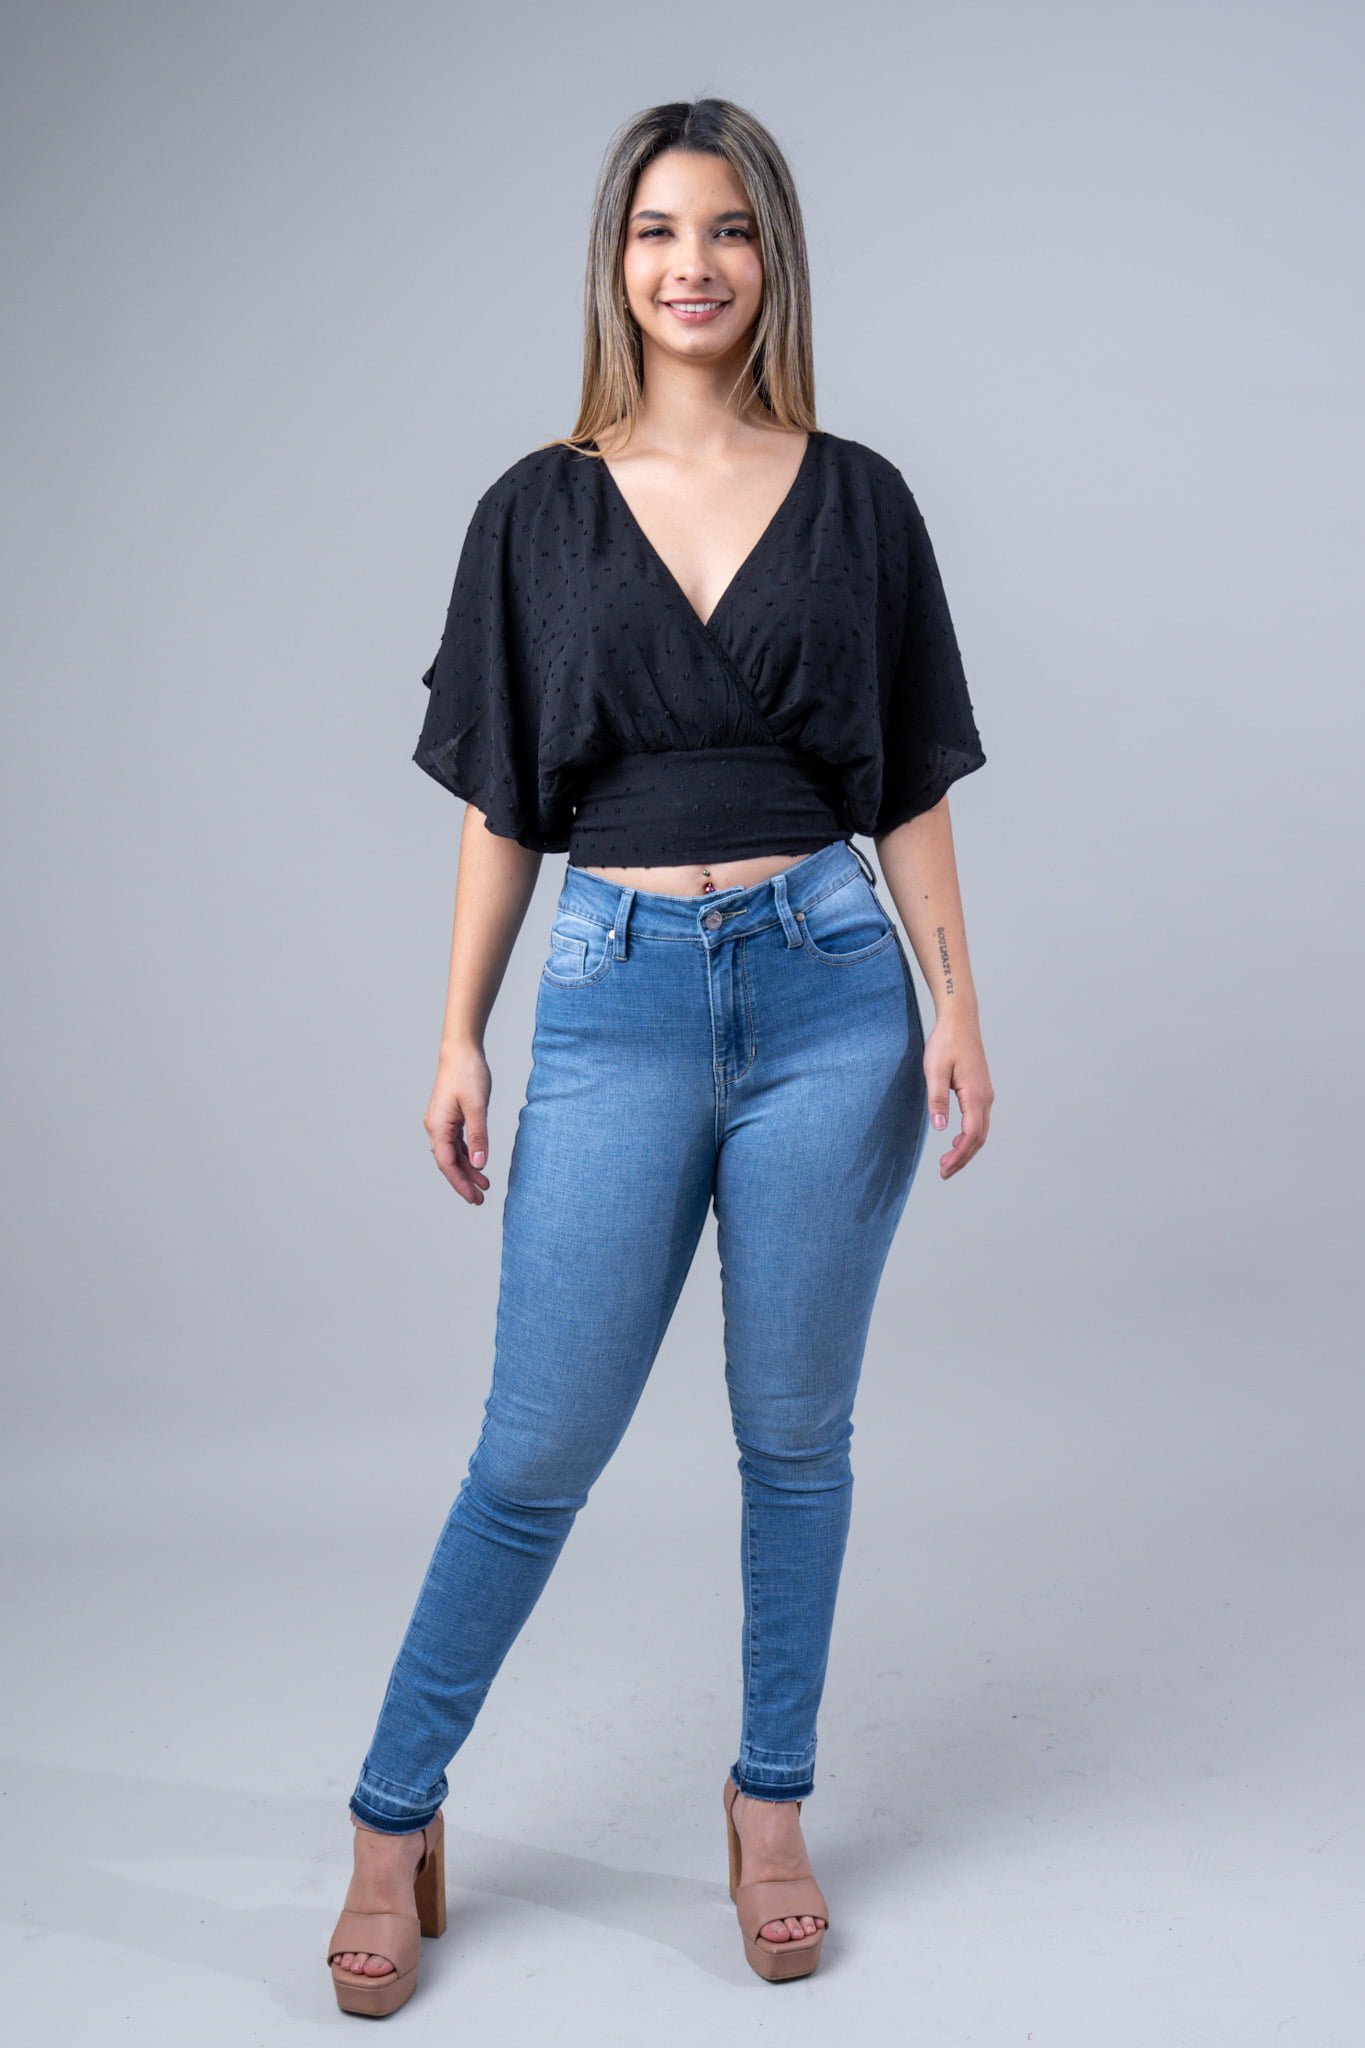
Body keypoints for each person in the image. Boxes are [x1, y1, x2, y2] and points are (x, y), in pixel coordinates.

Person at [326, 95, 993, 2012]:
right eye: (656, 232)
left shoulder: (856, 499)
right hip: (613, 993)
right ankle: (388, 1819)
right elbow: (503, 803)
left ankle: (769, 1803)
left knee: (793, 1438)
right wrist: (456, 1032)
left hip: (828, 991)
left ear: (773, 259)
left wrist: (957, 999)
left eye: (727, 230)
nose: (691, 265)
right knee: (536, 1449)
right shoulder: (534, 511)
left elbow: (909, 775)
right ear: (613, 266)